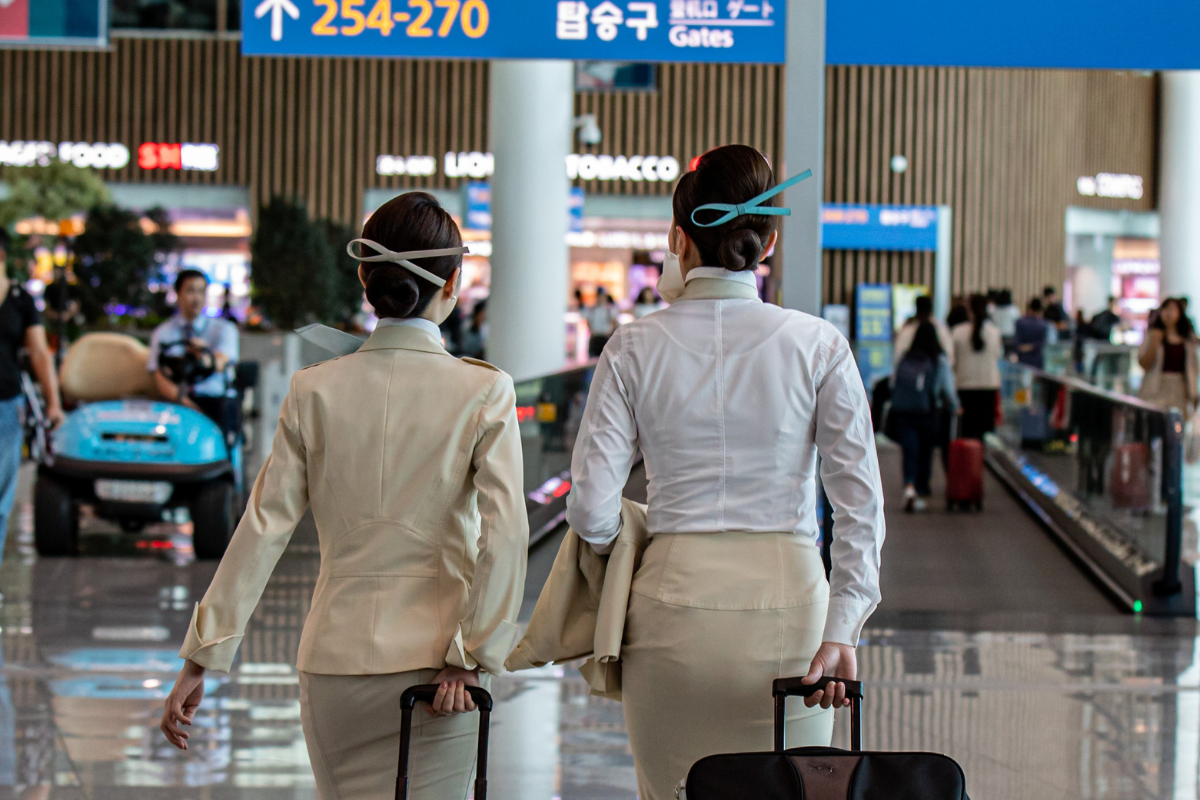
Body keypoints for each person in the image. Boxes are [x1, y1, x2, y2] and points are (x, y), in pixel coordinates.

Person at [159, 192, 530, 800]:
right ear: (453, 282)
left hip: (333, 664)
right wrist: (474, 652)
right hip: (442, 674)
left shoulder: (314, 389)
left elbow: (263, 527)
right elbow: (506, 534)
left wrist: (203, 655)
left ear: (366, 281)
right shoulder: (483, 392)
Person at [559, 145, 885, 800]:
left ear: (679, 239)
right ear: (768, 240)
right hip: (795, 619)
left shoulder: (631, 347)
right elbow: (859, 507)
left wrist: (624, 547)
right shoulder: (819, 345)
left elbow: (590, 510)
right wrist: (841, 624)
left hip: (670, 615)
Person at [0, 232, 63, 568]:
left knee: (0, 499)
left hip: (6, 405)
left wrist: (53, 403)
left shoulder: (20, 299)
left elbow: (39, 353)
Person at [147, 270, 239, 430]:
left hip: (215, 401)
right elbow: (160, 378)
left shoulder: (224, 329)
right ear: (177, 294)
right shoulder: (162, 333)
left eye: (201, 291)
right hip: (178, 401)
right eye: (190, 291)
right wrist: (189, 407)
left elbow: (220, 362)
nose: (197, 298)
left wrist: (203, 355)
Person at [891, 322, 960, 512]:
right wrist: (955, 405)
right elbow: (946, 386)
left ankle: (909, 485)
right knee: (925, 450)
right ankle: (922, 488)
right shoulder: (939, 359)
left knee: (909, 450)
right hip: (928, 410)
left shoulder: (905, 357)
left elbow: (893, 382)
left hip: (904, 410)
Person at [951, 294, 1002, 440]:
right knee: (984, 436)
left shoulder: (958, 332)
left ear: (969, 309)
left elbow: (953, 361)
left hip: (965, 388)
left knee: (966, 435)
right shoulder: (994, 332)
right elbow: (998, 356)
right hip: (989, 388)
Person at [1138, 297, 1199, 414]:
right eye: (1165, 309)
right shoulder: (1152, 335)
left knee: (1177, 425)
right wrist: (1154, 343)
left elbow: (1193, 369)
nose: (1168, 313)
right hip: (1155, 387)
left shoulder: (1187, 339)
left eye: (1172, 309)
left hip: (1179, 390)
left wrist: (1194, 392)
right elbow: (1144, 363)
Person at [893, 295, 954, 367]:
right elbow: (950, 360)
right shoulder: (942, 331)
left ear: (916, 309)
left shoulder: (907, 331)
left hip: (912, 375)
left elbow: (897, 359)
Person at [1013, 297, 1050, 369]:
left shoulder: (1020, 322)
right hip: (1037, 358)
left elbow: (1016, 341)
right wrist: (1031, 347)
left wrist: (1023, 347)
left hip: (1022, 357)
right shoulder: (1043, 324)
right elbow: (1042, 343)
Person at [583, 286, 620, 357]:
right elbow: (588, 322)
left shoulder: (610, 309)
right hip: (595, 337)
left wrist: (609, 332)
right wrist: (592, 331)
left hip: (605, 337)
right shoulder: (592, 309)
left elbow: (613, 322)